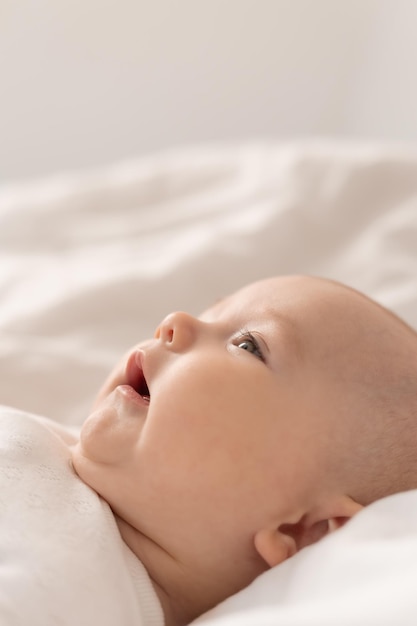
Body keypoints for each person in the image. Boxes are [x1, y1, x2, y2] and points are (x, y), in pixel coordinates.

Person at [2, 275, 417, 626]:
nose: (173, 322)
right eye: (208, 312)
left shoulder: (81, 597)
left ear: (305, 532)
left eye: (247, 345)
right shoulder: (50, 441)